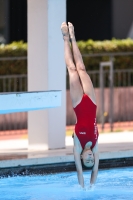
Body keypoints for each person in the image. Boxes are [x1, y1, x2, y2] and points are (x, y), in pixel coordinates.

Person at [61, 22, 99, 189]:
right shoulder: (95, 145)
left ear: (82, 157)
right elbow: (96, 169)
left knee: (72, 69)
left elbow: (78, 170)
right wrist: (93, 185)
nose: (91, 157)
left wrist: (84, 187)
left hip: (78, 103)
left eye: (87, 160)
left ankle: (65, 38)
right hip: (91, 102)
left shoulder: (77, 147)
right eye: (92, 159)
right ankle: (73, 36)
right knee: (82, 69)